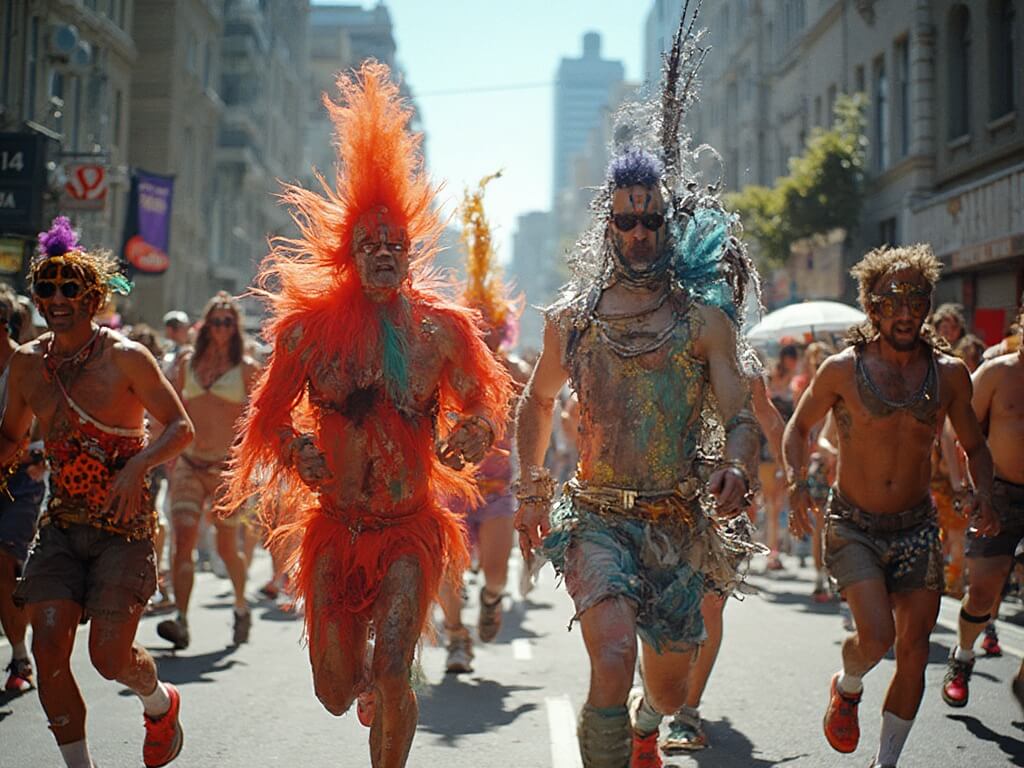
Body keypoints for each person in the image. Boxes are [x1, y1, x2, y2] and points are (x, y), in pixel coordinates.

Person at [218, 63, 512, 767]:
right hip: (335, 527)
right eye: (369, 246)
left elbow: (484, 400)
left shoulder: (442, 329)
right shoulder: (308, 333)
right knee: (334, 689)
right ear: (349, 254)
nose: (383, 253)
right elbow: (267, 419)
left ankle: (390, 715)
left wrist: (474, 430)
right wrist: (297, 453)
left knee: (394, 667)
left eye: (395, 246)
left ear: (410, 254)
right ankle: (371, 695)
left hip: (411, 526)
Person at [515, 17, 763, 764]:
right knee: (613, 654)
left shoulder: (705, 323)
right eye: (626, 222)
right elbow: (534, 401)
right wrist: (530, 485)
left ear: (667, 219)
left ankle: (649, 723)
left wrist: (739, 465)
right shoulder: (574, 320)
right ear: (608, 224)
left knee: (672, 679)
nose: (639, 233)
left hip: (679, 518)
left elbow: (741, 413)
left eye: (651, 219)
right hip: (597, 517)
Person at [784, 244, 997, 768]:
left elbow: (974, 444)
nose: (905, 310)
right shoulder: (841, 369)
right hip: (853, 524)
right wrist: (794, 482)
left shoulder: (949, 375)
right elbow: (799, 428)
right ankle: (849, 682)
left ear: (927, 305)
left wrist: (984, 492)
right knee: (876, 637)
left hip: (917, 527)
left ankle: (886, 763)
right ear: (872, 305)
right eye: (891, 299)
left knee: (916, 650)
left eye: (916, 298)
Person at [3, 217, 194, 768]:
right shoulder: (25, 365)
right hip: (61, 526)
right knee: (49, 649)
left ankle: (160, 704)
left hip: (123, 532)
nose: (56, 299)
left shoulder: (127, 357)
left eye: (70, 288)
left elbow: (182, 430)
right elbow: (11, 439)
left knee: (109, 657)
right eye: (46, 287)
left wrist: (138, 466)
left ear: (93, 296)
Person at [662, 371, 783, 753]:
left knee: (711, 606)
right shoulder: (665, 340)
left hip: (727, 504)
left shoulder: (744, 366)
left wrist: (792, 472)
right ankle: (655, 688)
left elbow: (769, 420)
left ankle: (688, 713)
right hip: (667, 497)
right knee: (661, 607)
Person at [438, 172, 530, 673]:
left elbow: (534, 423)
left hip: (497, 489)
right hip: (451, 487)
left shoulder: (515, 375)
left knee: (495, 573)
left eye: (493, 332)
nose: (487, 342)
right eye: (478, 334)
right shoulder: (445, 374)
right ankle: (455, 637)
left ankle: (491, 601)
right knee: (448, 568)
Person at [156, 293, 260, 649]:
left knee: (226, 546)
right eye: (215, 321)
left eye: (227, 322)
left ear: (236, 327)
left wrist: (249, 464)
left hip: (226, 470)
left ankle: (241, 606)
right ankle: (182, 621)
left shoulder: (247, 368)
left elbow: (259, 422)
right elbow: (168, 409)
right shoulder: (186, 362)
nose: (220, 328)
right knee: (182, 540)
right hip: (188, 463)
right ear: (205, 325)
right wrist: (158, 452)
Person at [942, 305, 1023, 707]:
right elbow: (959, 430)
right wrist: (974, 491)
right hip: (999, 494)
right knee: (983, 593)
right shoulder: (997, 372)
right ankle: (964, 657)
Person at [0, 284, 47, 692]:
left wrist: (42, 455)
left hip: (21, 479)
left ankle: (20, 658)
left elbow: (51, 419)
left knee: (3, 563)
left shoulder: (28, 362)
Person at [762, 343, 801, 570]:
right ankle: (772, 551)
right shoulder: (770, 381)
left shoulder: (794, 387)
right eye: (792, 360)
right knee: (771, 503)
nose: (794, 365)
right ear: (786, 360)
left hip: (785, 451)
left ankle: (775, 549)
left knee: (778, 503)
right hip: (767, 449)